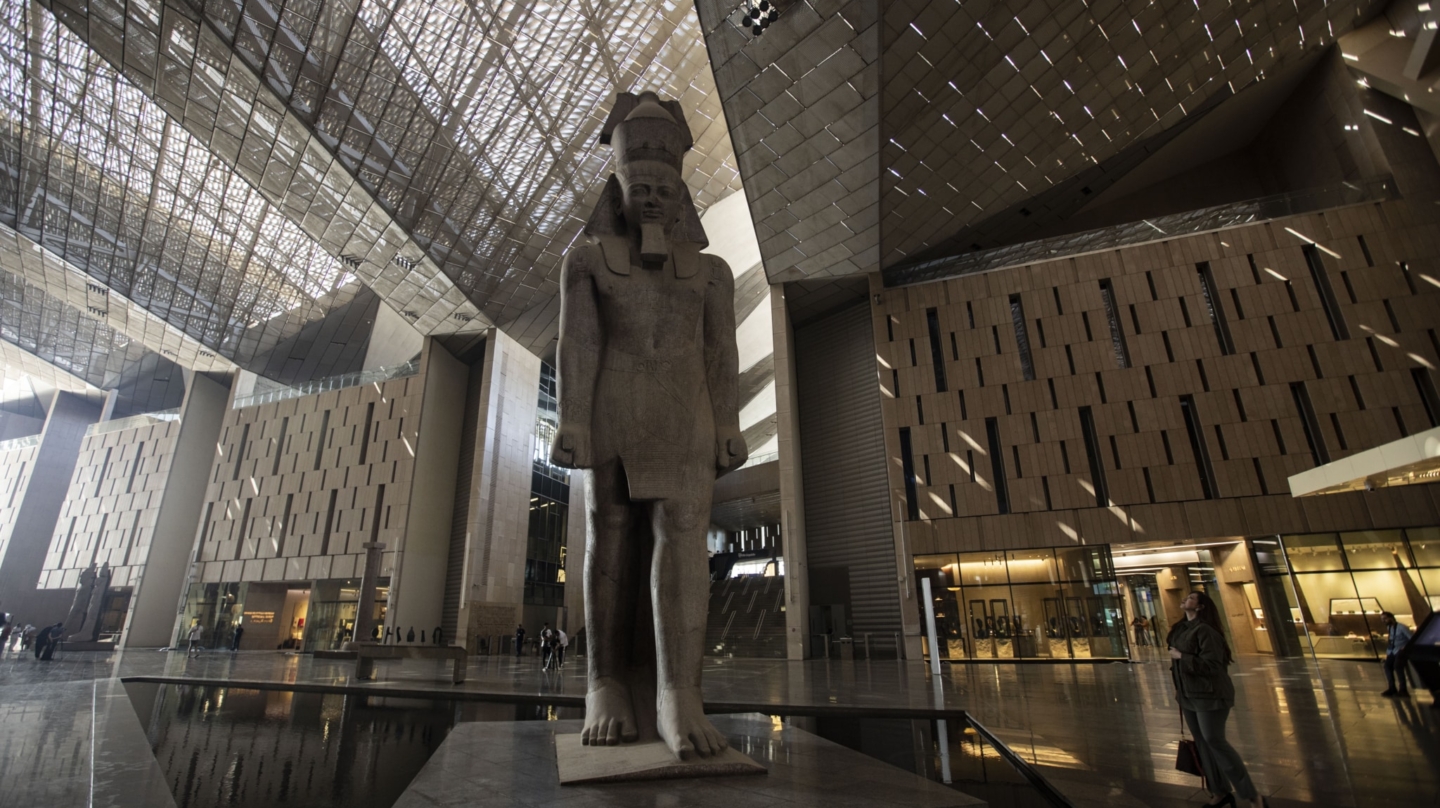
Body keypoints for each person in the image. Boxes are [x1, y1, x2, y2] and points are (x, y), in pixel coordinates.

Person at [1168, 591, 1265, 808]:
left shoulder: (1205, 631)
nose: (1185, 599)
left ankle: (1251, 795)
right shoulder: (1182, 629)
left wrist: (1182, 657)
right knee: (1203, 744)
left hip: (1210, 695)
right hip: (1188, 694)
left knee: (1214, 740)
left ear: (1201, 607)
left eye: (1191, 597)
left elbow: (1213, 666)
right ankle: (1219, 792)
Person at [1380, 611, 1413, 697]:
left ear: (1391, 618)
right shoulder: (1389, 628)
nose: (1383, 621)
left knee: (1397, 666)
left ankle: (1403, 690)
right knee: (1387, 666)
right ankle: (1392, 688)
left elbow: (1411, 638)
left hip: (1400, 650)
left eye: (1385, 619)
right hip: (1392, 650)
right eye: (1382, 619)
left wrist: (1405, 647)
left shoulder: (1402, 627)